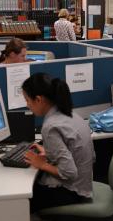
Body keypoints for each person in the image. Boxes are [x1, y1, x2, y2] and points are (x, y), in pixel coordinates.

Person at [22, 73, 95, 213]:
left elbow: (69, 173)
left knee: (19, 199)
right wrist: (49, 152)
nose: (27, 105)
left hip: (71, 192)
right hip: (85, 184)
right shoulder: (70, 113)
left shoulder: (50, 126)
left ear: (38, 99)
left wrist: (42, 164)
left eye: (27, 100)